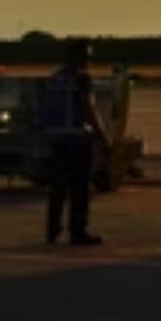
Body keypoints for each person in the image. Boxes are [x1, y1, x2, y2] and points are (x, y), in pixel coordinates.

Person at [40, 40, 106, 245]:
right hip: (76, 139)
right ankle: (78, 231)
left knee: (57, 187)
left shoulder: (55, 78)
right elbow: (88, 108)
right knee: (80, 188)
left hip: (56, 138)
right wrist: (102, 135)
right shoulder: (81, 79)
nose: (90, 61)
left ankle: (52, 230)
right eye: (88, 57)